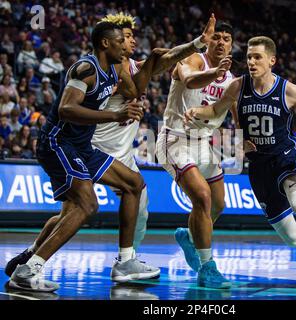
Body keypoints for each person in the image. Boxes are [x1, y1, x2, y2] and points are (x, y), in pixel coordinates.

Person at [6, 14, 217, 288]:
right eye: (123, 39)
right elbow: (65, 110)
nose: (129, 43)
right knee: (85, 205)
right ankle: (29, 270)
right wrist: (117, 115)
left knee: (133, 184)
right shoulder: (85, 68)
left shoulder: (119, 68)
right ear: (107, 43)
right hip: (60, 143)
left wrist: (197, 43)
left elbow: (157, 65)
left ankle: (125, 261)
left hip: (83, 145)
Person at [184, 36, 296, 286]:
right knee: (292, 238)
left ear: (272, 60)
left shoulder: (289, 91)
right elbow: (216, 110)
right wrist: (197, 111)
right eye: (249, 57)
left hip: (284, 161)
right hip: (259, 168)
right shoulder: (238, 87)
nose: (251, 61)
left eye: (257, 57)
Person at [156, 21, 235, 289]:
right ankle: (206, 267)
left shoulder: (232, 80)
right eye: (216, 38)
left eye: (226, 39)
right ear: (208, 41)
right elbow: (189, 80)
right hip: (174, 139)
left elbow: (236, 112)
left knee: (219, 204)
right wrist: (214, 73)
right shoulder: (192, 58)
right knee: (202, 196)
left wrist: (251, 140)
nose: (221, 42)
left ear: (232, 45)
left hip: (203, 143)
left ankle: (190, 237)